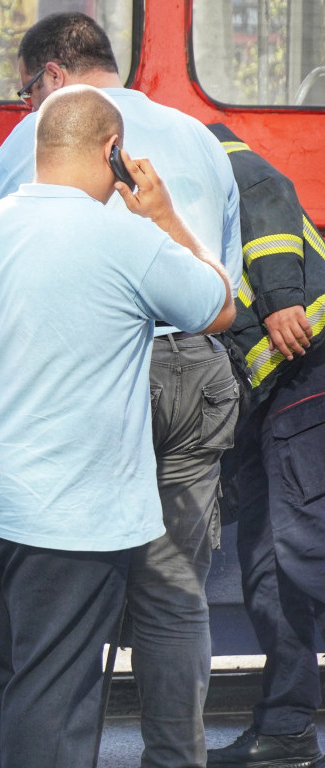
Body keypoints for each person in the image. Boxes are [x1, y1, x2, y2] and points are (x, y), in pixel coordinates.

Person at [0, 13, 243, 768]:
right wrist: (168, 222)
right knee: (174, 595)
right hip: (189, 365)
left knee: (25, 634)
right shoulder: (200, 136)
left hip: (84, 375)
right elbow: (218, 289)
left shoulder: (42, 134)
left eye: (23, 94)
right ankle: (176, 758)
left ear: (49, 79)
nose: (23, 108)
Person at [203, 123, 325, 768]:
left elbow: (265, 189)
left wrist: (281, 300)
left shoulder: (189, 138)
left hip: (304, 359)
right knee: (271, 566)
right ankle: (286, 730)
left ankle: (287, 728)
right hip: (269, 387)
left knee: (297, 553)